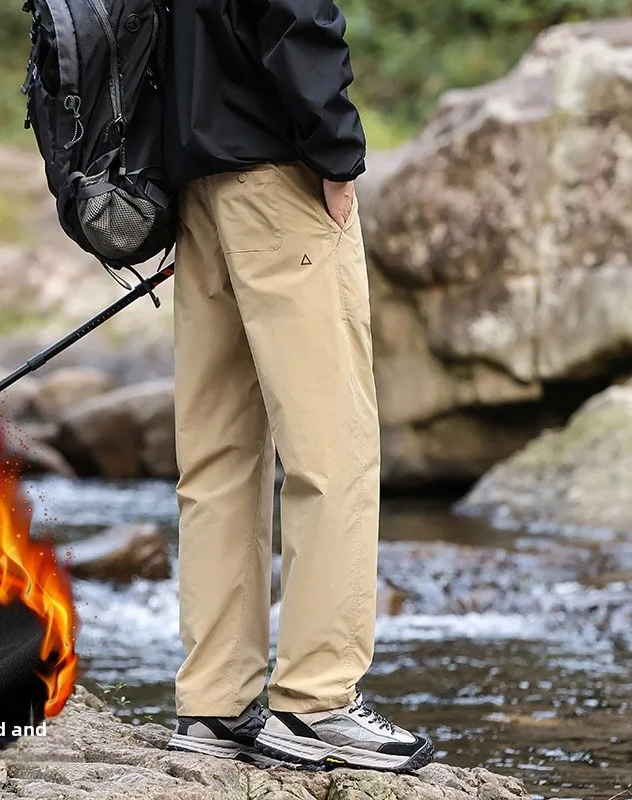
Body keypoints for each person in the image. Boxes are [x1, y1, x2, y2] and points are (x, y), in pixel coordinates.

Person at [163, 0, 434, 772]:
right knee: (333, 448)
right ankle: (314, 705)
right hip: (280, 177)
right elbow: (293, 14)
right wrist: (337, 152)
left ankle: (212, 705)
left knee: (217, 456)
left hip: (195, 182)